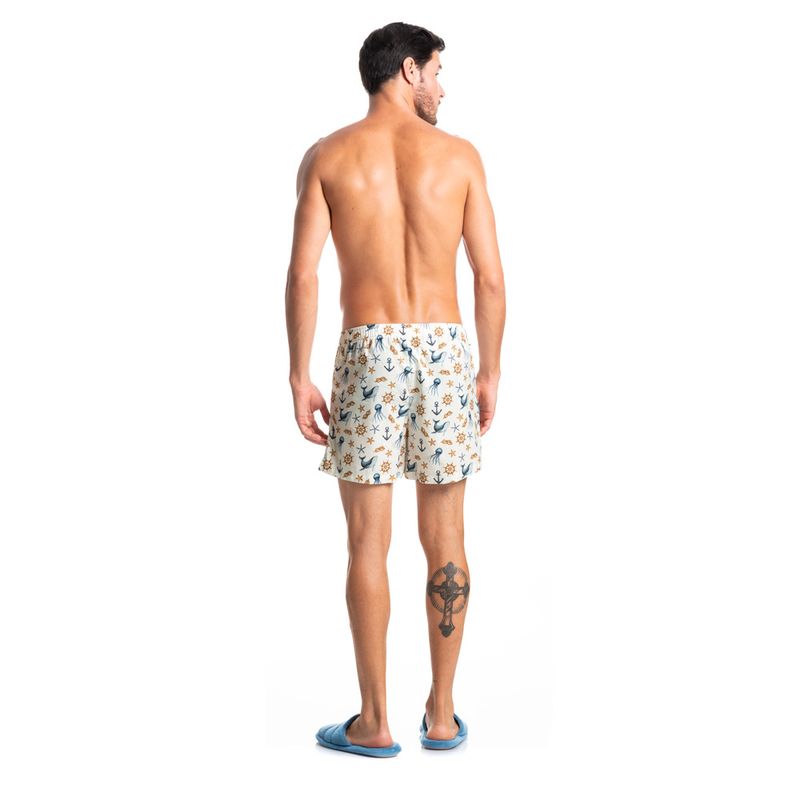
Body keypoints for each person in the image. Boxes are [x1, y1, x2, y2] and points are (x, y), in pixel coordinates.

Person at [285, 21, 506, 756]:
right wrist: (488, 371)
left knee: (366, 546)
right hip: (444, 350)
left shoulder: (328, 156)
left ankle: (374, 721)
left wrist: (298, 374)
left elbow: (303, 276)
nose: (442, 87)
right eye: (436, 71)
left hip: (367, 349)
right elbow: (490, 279)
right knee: (447, 537)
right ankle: (441, 715)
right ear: (408, 70)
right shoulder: (460, 157)